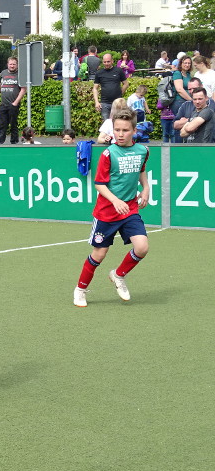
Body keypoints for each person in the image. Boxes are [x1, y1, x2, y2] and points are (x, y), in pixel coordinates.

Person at [73, 109, 150, 308]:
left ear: (134, 130)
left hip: (130, 209)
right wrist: (115, 201)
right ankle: (80, 290)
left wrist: (146, 188)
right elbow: (99, 183)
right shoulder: (108, 154)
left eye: (125, 130)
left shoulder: (143, 151)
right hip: (107, 212)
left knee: (142, 247)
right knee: (99, 254)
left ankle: (118, 275)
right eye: (117, 130)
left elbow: (141, 171)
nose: (120, 134)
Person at [0, 57, 26, 144]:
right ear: (7, 64)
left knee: (13, 124)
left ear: (17, 65)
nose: (12, 66)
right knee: (2, 124)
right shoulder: (3, 73)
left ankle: (14, 142)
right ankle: (0, 142)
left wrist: (15, 103)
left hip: (14, 104)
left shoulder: (20, 74)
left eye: (14, 64)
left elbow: (23, 89)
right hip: (3, 104)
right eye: (10, 64)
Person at [93, 54, 128, 121]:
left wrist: (120, 94)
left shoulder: (119, 71)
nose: (106, 63)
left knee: (119, 123)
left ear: (112, 61)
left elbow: (126, 84)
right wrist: (96, 102)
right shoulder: (99, 73)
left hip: (118, 103)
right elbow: (95, 88)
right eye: (104, 62)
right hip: (105, 104)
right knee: (106, 124)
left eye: (108, 61)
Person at [171, 55, 194, 142]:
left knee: (186, 124)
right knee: (179, 125)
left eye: (189, 63)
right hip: (178, 102)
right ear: (181, 63)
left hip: (186, 102)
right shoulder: (177, 73)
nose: (187, 65)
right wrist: (192, 100)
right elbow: (179, 89)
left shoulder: (188, 75)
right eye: (185, 63)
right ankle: (178, 148)